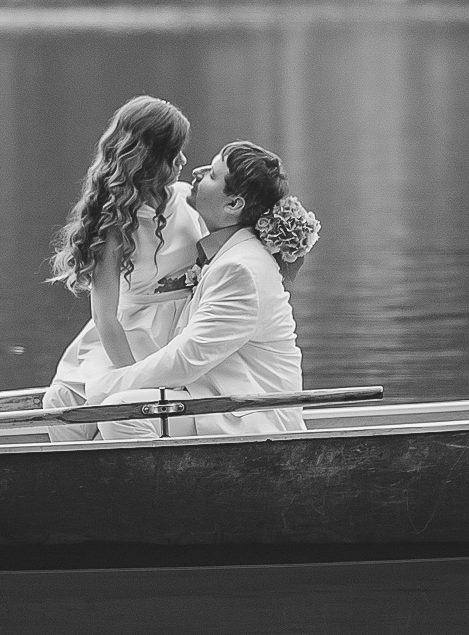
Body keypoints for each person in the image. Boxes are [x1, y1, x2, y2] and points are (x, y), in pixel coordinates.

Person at [68, 141, 316, 439]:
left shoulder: (240, 269)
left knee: (121, 414)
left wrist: (104, 386)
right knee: (83, 403)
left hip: (251, 415)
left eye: (212, 174)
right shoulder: (225, 255)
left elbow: (188, 358)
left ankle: (169, 485)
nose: (196, 172)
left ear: (234, 204)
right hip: (213, 401)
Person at [44, 96, 206, 408]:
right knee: (70, 401)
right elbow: (105, 316)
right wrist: (131, 375)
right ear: (148, 158)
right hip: (130, 334)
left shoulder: (189, 199)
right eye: (174, 154)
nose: (184, 161)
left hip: (186, 328)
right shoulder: (114, 225)